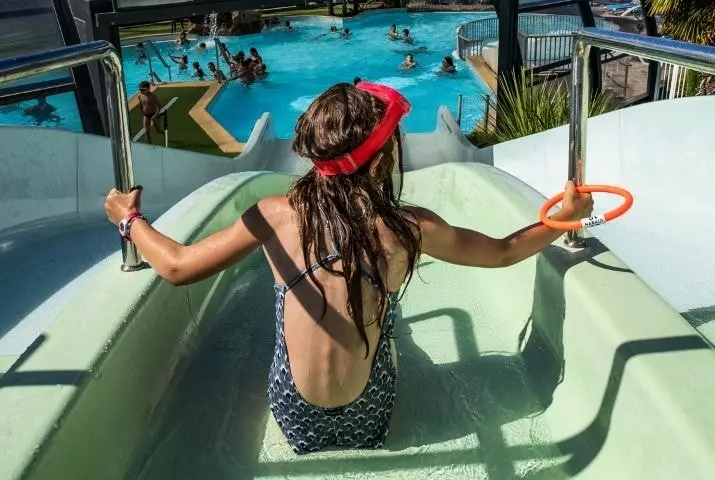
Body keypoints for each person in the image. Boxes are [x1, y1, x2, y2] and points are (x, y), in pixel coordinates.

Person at [103, 82, 591, 455]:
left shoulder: (274, 216)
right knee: (387, 325)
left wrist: (129, 221)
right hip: (368, 411)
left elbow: (177, 266)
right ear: (380, 162)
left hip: (295, 411)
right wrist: (563, 218)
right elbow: (503, 252)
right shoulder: (409, 229)